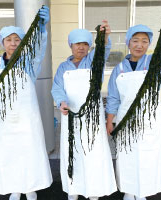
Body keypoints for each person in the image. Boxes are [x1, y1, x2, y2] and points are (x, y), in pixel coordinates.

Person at [0, 6, 52, 200]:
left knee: (29, 153)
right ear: (2, 43)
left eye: (17, 39)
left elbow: (38, 47)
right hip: (4, 123)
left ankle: (30, 188)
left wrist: (41, 29)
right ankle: (15, 188)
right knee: (9, 155)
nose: (13, 43)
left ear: (22, 42)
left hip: (27, 120)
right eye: (8, 40)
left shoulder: (29, 62)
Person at [106, 21, 161, 200]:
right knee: (127, 157)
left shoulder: (154, 62)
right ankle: (129, 191)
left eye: (145, 41)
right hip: (125, 120)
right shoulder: (119, 69)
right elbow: (114, 97)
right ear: (128, 43)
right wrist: (110, 121)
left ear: (149, 44)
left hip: (149, 121)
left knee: (147, 157)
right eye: (135, 40)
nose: (139, 45)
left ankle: (142, 192)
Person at [51, 20, 117, 200]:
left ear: (89, 47)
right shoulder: (63, 68)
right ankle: (74, 190)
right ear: (70, 45)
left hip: (92, 118)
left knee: (92, 153)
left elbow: (103, 50)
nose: (81, 48)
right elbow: (57, 88)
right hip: (70, 117)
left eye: (85, 44)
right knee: (73, 152)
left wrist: (105, 37)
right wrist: (61, 102)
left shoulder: (94, 61)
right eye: (77, 44)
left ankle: (93, 191)